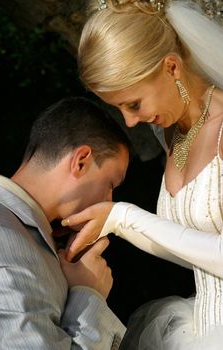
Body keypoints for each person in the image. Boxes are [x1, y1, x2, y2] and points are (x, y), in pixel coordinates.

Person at [60, 1, 223, 349]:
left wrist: (124, 216)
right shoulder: (172, 132)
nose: (131, 122)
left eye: (133, 104)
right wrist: (111, 225)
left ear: (172, 67)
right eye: (118, 108)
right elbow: (189, 247)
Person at [0, 96, 131, 349]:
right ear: (81, 161)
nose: (109, 203)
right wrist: (89, 297)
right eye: (111, 184)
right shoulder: (1, 236)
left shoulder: (16, 228)